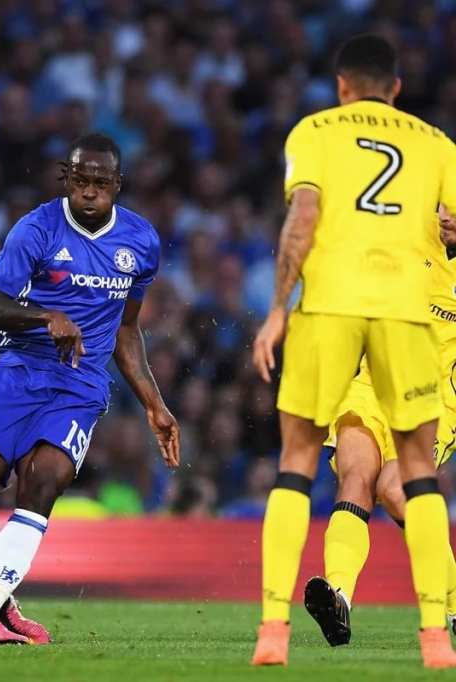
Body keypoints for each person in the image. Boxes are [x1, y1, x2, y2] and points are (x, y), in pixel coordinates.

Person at [250, 34, 456, 668]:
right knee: (363, 472)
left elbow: (302, 216)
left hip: (364, 316)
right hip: (403, 328)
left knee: (358, 476)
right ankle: (363, 604)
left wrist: (279, 307)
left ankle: (274, 632)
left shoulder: (314, 131)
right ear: (396, 88)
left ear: (341, 86)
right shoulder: (437, 146)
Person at [0, 132, 180, 645]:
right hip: (19, 365)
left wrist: (154, 404)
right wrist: (44, 316)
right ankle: (2, 607)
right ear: (67, 179)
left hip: (81, 382)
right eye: (81, 181)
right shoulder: (36, 228)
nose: (90, 192)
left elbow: (125, 329)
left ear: (117, 185)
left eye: (101, 183)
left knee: (45, 480)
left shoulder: (141, 243)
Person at [302, 207, 456, 646]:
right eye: (442, 205)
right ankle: (339, 598)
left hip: (434, 401)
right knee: (356, 478)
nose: (445, 216)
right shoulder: (409, 235)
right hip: (373, 383)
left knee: (394, 488)